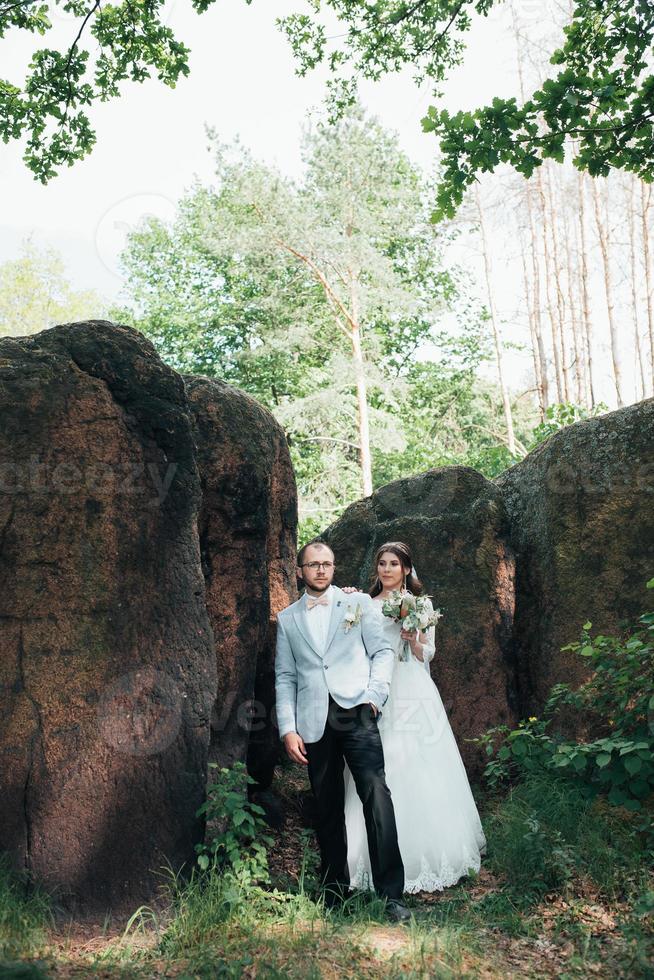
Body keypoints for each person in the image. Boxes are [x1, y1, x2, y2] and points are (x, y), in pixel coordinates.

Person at [274, 540, 411, 922]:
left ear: (334, 568)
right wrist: (288, 728)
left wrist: (374, 696)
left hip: (357, 712)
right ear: (300, 570)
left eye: (327, 564)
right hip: (313, 722)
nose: (321, 570)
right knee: (327, 805)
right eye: (313, 564)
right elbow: (285, 676)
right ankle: (336, 890)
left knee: (375, 793)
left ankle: (392, 896)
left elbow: (381, 652)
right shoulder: (287, 620)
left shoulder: (357, 603)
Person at [342, 541, 487, 893]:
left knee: (421, 766)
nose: (387, 569)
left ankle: (428, 852)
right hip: (377, 689)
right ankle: (368, 857)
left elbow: (428, 654)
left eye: (394, 563)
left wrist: (413, 638)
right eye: (382, 563)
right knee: (379, 768)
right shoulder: (365, 605)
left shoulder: (421, 606)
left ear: (407, 569)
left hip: (413, 686)